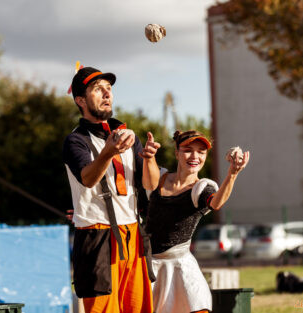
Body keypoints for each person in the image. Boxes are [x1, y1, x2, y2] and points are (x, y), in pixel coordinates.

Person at [63, 66, 161, 313]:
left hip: (133, 234)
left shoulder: (127, 136)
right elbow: (88, 178)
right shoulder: (76, 140)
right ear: (81, 101)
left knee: (138, 308)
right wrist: (109, 151)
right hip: (98, 236)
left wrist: (149, 158)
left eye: (109, 89)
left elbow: (151, 185)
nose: (107, 94)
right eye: (98, 89)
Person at [145, 130, 250, 313]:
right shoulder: (159, 178)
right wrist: (148, 156)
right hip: (148, 266)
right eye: (188, 150)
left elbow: (216, 202)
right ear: (177, 153)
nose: (195, 156)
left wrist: (232, 174)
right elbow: (141, 184)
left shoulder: (201, 188)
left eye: (201, 152)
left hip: (180, 265)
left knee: (198, 307)